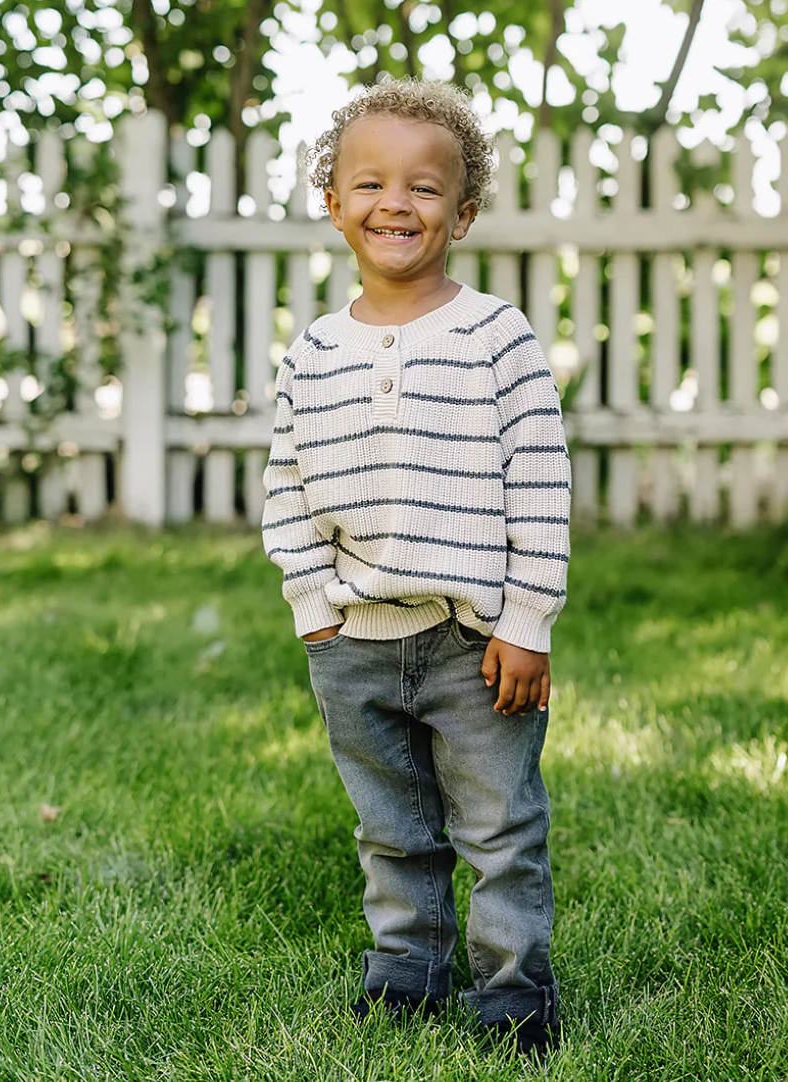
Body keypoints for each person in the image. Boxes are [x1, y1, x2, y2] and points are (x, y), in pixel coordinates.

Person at [262, 78, 570, 1059]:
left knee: (499, 831)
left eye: (424, 188)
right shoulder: (311, 351)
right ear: (333, 203)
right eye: (369, 182)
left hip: (475, 645)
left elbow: (540, 480)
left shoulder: (493, 336)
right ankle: (405, 973)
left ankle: (515, 999)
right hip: (351, 642)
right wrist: (312, 600)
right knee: (391, 827)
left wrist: (526, 619)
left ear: (463, 211)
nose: (394, 202)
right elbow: (284, 480)